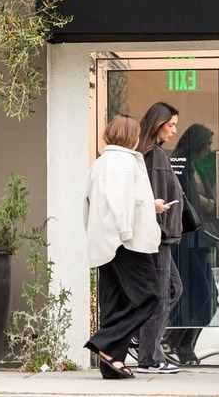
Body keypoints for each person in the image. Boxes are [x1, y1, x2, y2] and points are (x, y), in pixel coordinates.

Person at [83, 114, 166, 379]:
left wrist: (149, 206)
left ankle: (112, 365)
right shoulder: (124, 162)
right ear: (132, 135)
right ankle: (104, 342)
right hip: (127, 241)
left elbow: (91, 204)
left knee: (114, 301)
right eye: (138, 132)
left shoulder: (100, 163)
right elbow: (120, 203)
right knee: (149, 295)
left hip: (105, 240)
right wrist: (126, 233)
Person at [132, 102, 184, 374]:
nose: (174, 130)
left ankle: (141, 339)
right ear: (157, 123)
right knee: (162, 295)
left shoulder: (148, 154)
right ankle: (149, 357)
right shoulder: (154, 156)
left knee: (172, 289)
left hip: (156, 235)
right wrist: (163, 224)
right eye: (171, 124)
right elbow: (155, 196)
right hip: (158, 236)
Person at [163, 123, 219, 366]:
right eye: (207, 143)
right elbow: (188, 203)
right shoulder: (180, 168)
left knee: (210, 298)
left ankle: (183, 345)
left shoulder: (195, 167)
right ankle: (171, 339)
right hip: (184, 242)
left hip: (199, 240)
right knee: (200, 295)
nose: (210, 148)